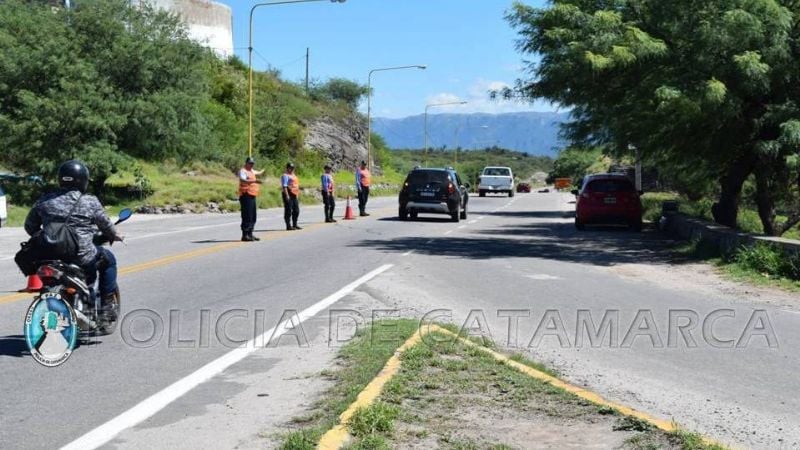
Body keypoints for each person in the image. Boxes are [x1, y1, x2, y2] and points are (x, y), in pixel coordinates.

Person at [20, 160, 123, 321]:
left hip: (48, 255)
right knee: (109, 260)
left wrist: (50, 235)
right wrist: (115, 235)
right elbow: (106, 226)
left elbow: (29, 227)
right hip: (81, 256)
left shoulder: (44, 200)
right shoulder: (89, 201)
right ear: (83, 180)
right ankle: (107, 306)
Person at [238, 157, 263, 242]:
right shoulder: (243, 171)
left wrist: (263, 171)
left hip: (252, 195)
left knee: (253, 215)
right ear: (246, 163)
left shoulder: (251, 171)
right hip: (245, 195)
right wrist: (254, 181)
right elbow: (242, 180)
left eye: (252, 164)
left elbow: (258, 172)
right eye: (250, 163)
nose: (251, 165)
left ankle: (250, 233)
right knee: (247, 215)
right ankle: (245, 235)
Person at [281, 162, 301, 231]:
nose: (292, 169)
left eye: (292, 168)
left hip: (294, 194)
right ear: (287, 168)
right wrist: (287, 195)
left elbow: (296, 186)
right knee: (288, 210)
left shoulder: (294, 175)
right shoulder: (285, 175)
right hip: (288, 193)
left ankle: (295, 224)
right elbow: (285, 186)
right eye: (290, 168)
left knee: (296, 210)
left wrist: (297, 194)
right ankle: (288, 225)